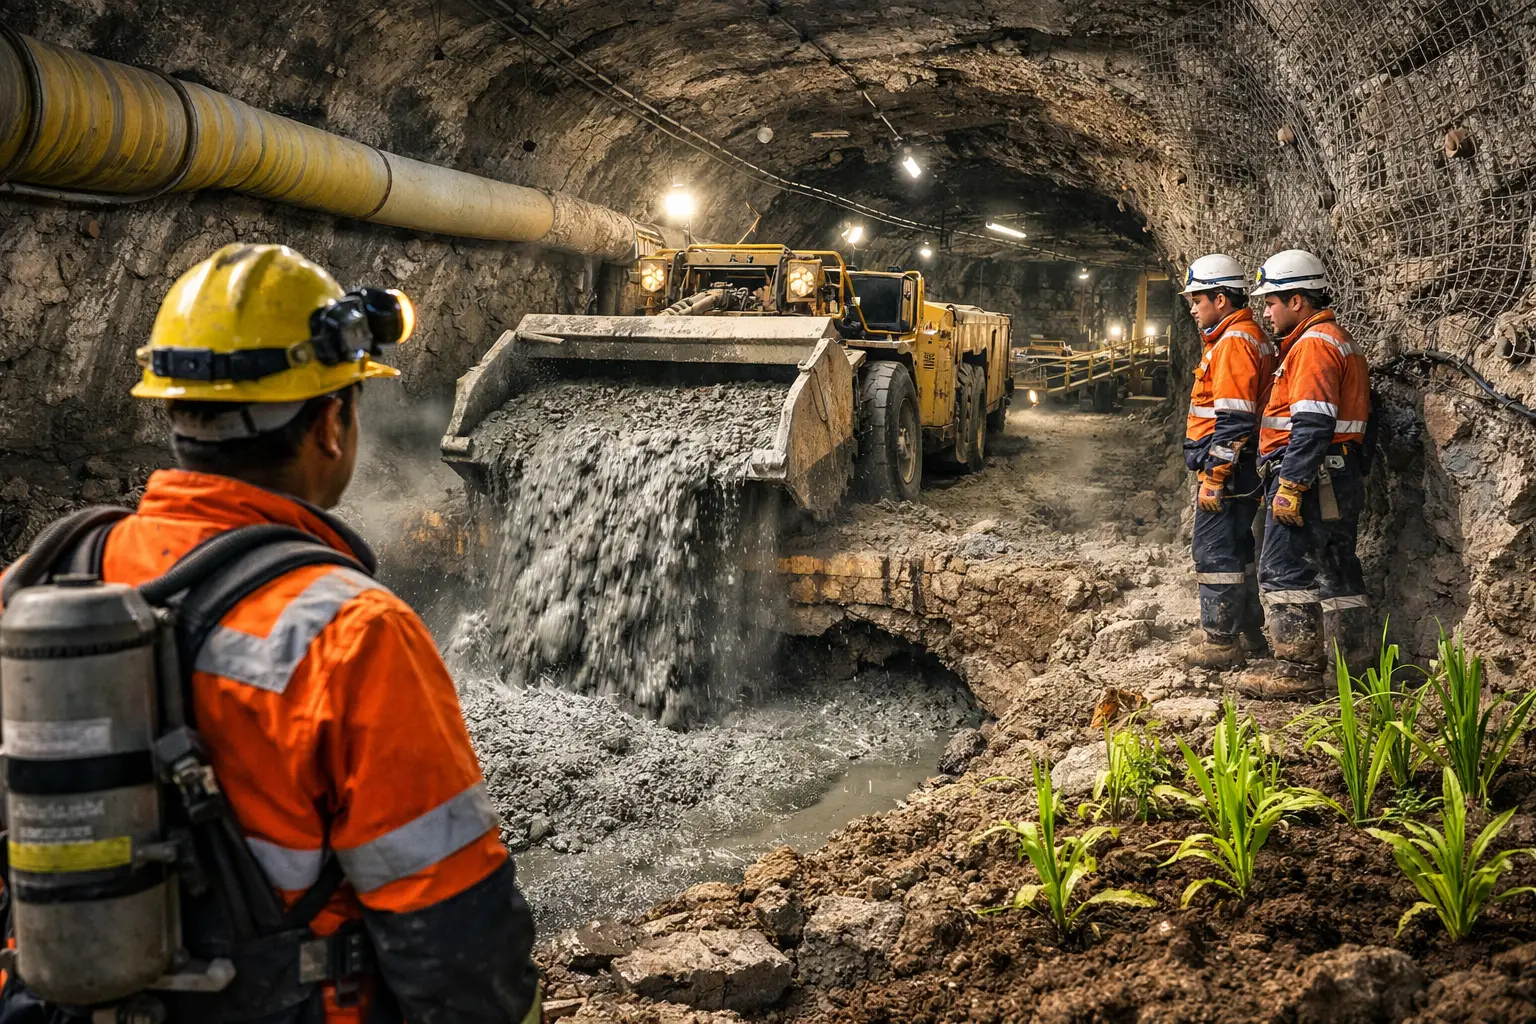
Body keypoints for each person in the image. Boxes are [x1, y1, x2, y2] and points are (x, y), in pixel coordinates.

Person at [0, 244, 541, 1022]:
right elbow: (458, 946)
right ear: (331, 423)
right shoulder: (352, 634)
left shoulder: (35, 587)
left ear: (176, 409)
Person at [1237, 249, 1372, 699]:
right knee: (1336, 569)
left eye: (1272, 302)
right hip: (1338, 474)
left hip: (1312, 477)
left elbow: (1312, 423)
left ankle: (1297, 671)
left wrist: (1291, 486)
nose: (1266, 311)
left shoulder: (1314, 345)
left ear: (1298, 300)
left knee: (1283, 567)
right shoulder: (1337, 339)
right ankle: (1353, 664)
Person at [1178, 254, 1276, 670]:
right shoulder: (1241, 337)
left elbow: (1233, 419)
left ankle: (1221, 643)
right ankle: (1250, 634)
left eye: (1197, 299)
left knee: (1215, 549)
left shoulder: (1235, 342)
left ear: (1221, 299)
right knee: (1239, 548)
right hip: (1244, 463)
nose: (1193, 308)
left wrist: (1214, 477)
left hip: (1231, 467)